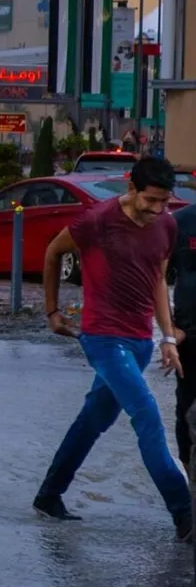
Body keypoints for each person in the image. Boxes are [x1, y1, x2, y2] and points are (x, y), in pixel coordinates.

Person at [36, 156, 193, 541]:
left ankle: (48, 495)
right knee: (147, 413)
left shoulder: (167, 225)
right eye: (150, 200)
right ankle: (185, 515)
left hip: (140, 341)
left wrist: (168, 337)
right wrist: (53, 311)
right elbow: (53, 252)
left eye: (164, 201)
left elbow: (157, 277)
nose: (156, 210)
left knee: (93, 421)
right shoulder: (98, 221)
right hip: (103, 338)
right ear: (131, 190)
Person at [171, 201, 196, 478]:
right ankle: (191, 479)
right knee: (187, 409)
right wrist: (168, 332)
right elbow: (155, 278)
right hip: (189, 337)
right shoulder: (178, 222)